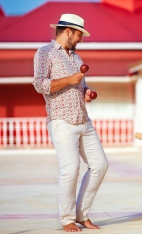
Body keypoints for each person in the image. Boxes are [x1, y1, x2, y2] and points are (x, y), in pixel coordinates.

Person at [33, 14, 108, 232]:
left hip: (83, 120)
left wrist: (87, 92)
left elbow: (80, 84)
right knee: (71, 169)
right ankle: (67, 218)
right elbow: (39, 84)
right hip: (61, 120)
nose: (80, 39)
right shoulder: (44, 53)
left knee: (100, 165)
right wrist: (69, 80)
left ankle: (81, 214)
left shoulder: (76, 58)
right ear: (68, 31)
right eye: (79, 34)